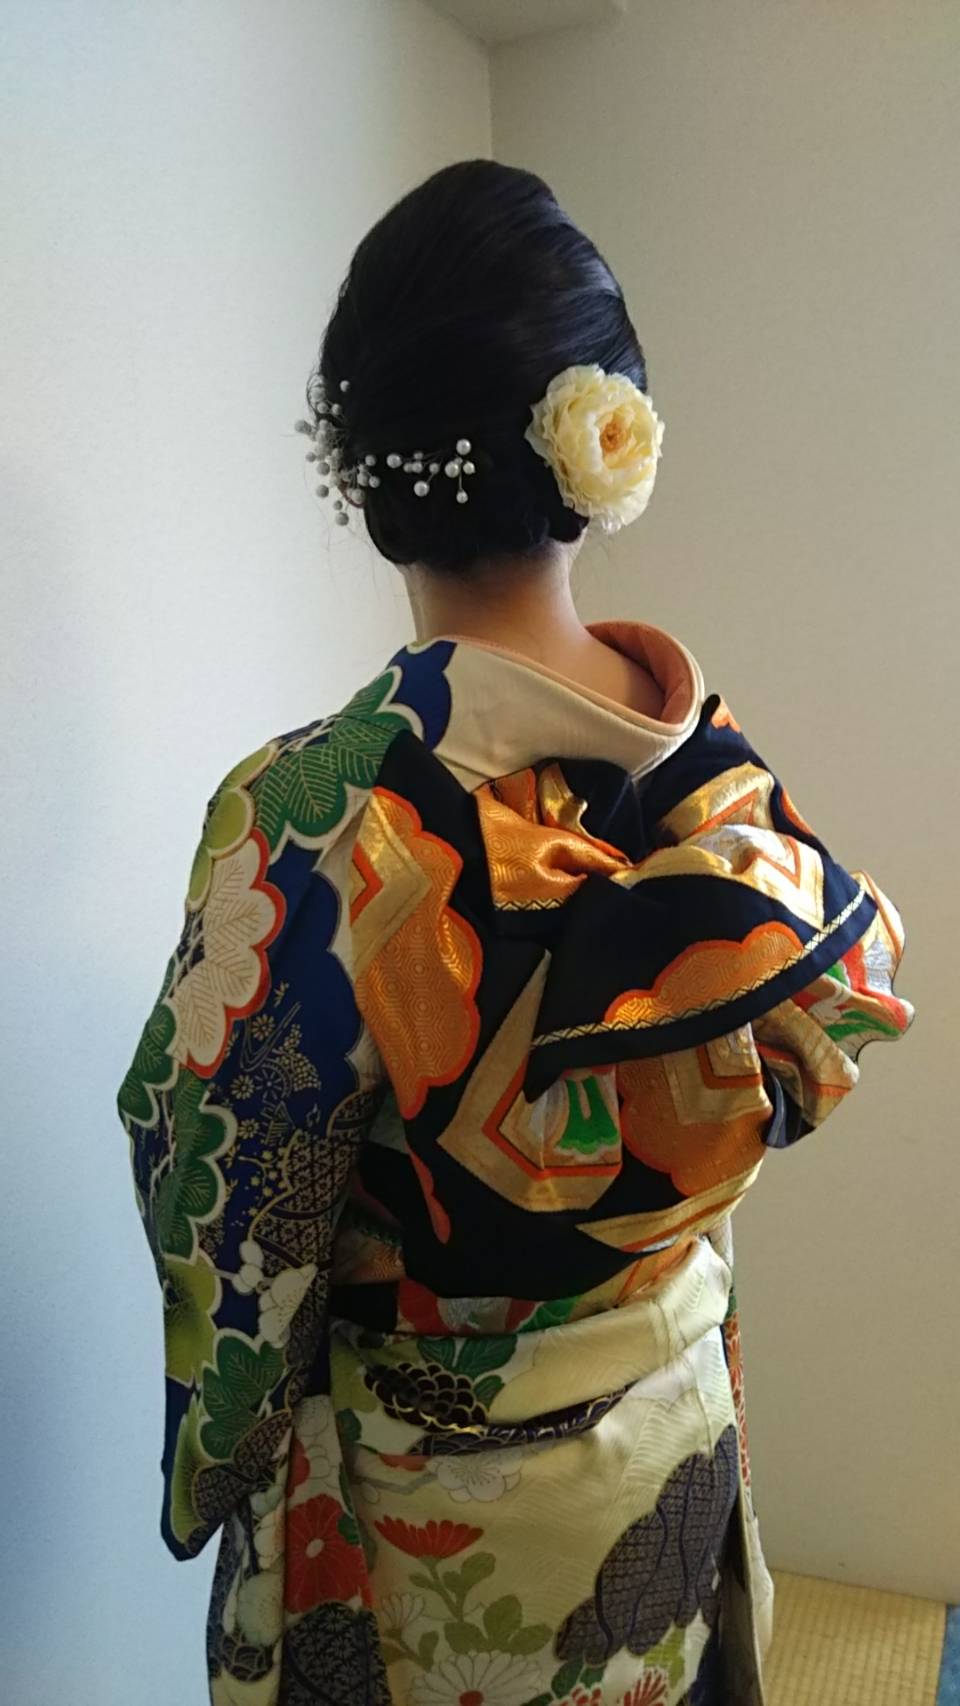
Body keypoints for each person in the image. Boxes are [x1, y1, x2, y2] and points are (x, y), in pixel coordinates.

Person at [116, 160, 913, 1706]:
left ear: (367, 477)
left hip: (440, 1514)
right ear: (603, 451)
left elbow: (221, 1197)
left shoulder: (307, 814)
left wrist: (226, 1432)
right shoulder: (701, 751)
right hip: (672, 1433)